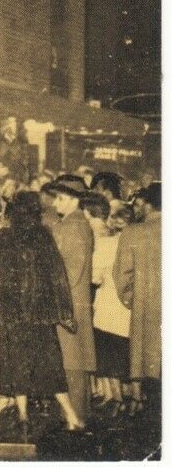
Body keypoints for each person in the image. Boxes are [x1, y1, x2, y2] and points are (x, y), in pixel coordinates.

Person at [0, 192, 86, 434]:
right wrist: (64, 312)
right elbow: (57, 277)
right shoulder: (44, 236)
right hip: (40, 316)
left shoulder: (2, 237)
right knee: (51, 368)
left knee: (16, 365)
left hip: (12, 315)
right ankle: (71, 415)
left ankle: (23, 416)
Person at [46, 174, 96, 423]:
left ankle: (75, 421)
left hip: (67, 305)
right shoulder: (79, 224)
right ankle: (77, 418)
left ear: (74, 200)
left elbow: (70, 272)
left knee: (71, 364)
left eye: (61, 198)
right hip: (75, 303)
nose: (56, 203)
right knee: (73, 363)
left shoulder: (71, 227)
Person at [114, 183, 161, 413]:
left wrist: (132, 299)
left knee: (142, 353)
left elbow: (122, 275)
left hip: (146, 304)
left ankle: (136, 400)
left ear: (148, 204)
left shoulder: (133, 232)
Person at [83, 193, 129, 415]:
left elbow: (95, 278)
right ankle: (120, 396)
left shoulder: (106, 245)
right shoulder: (129, 245)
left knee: (106, 351)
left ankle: (113, 396)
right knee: (120, 351)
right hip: (124, 308)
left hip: (106, 305)